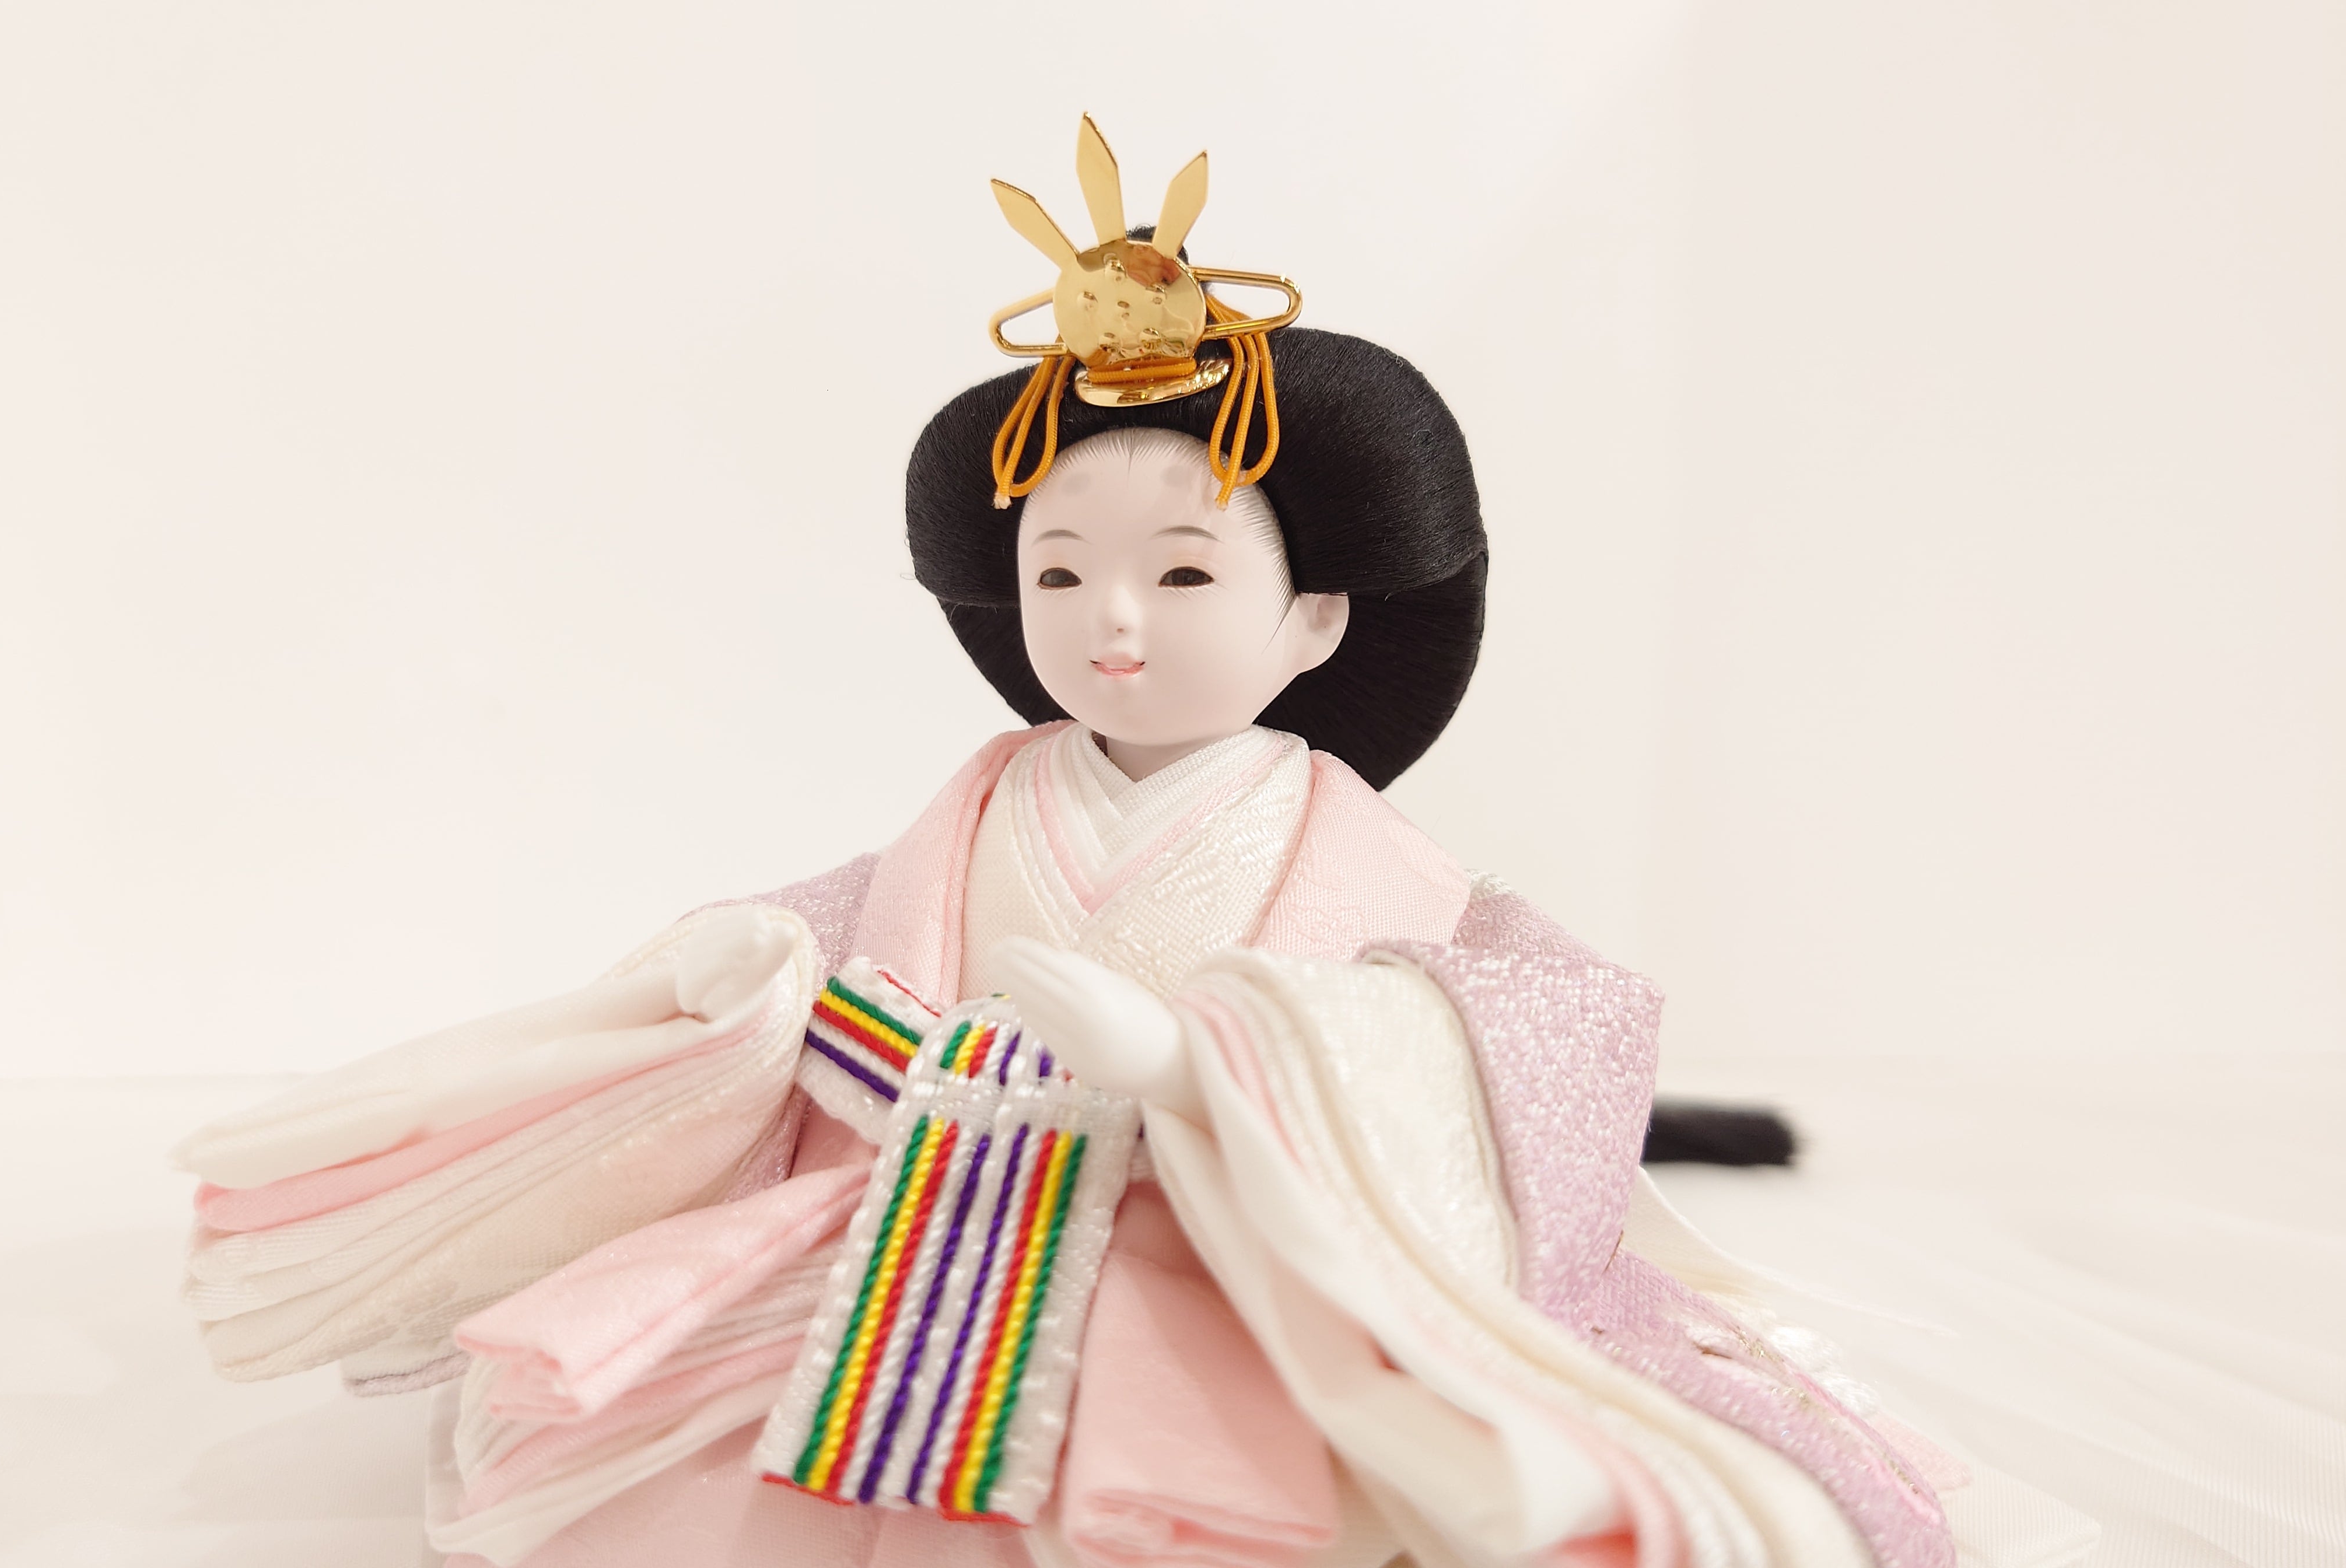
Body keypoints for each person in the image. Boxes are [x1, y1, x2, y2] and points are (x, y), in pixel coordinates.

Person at [175, 121, 2060, 1568]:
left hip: (1221, 1255)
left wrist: (1221, 1065)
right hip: (922, 1219)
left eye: (1183, 573)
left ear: (1315, 616)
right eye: (1061, 573)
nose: (1113, 623)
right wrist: (744, 975)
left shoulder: (1371, 865)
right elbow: (839, 932)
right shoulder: (986, 805)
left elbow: (1549, 1026)